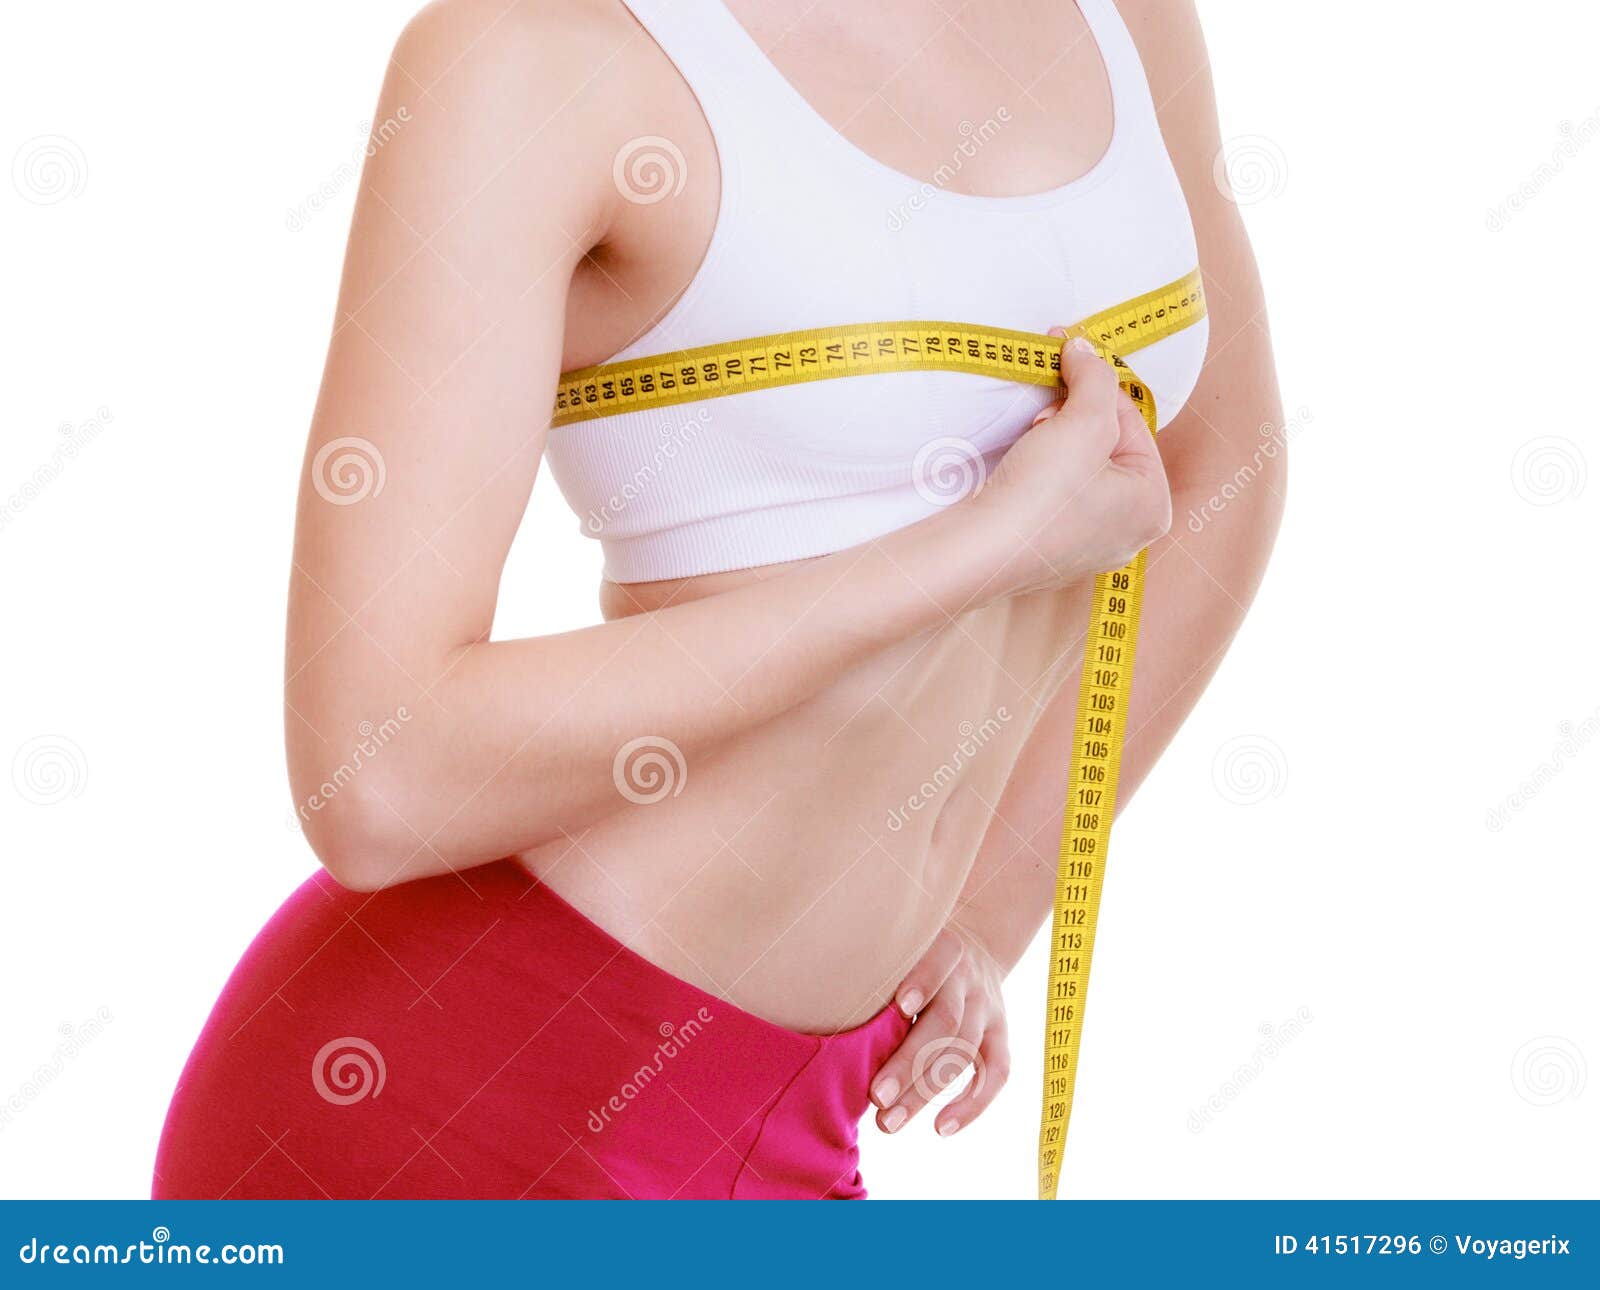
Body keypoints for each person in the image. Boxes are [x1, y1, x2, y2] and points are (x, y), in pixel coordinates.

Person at [153, 0, 1283, 1200]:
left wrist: (983, 910)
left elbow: (1223, 467)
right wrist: (982, 548)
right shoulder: (533, 59)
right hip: (468, 1102)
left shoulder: (1125, 17)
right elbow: (376, 775)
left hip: (802, 1099)